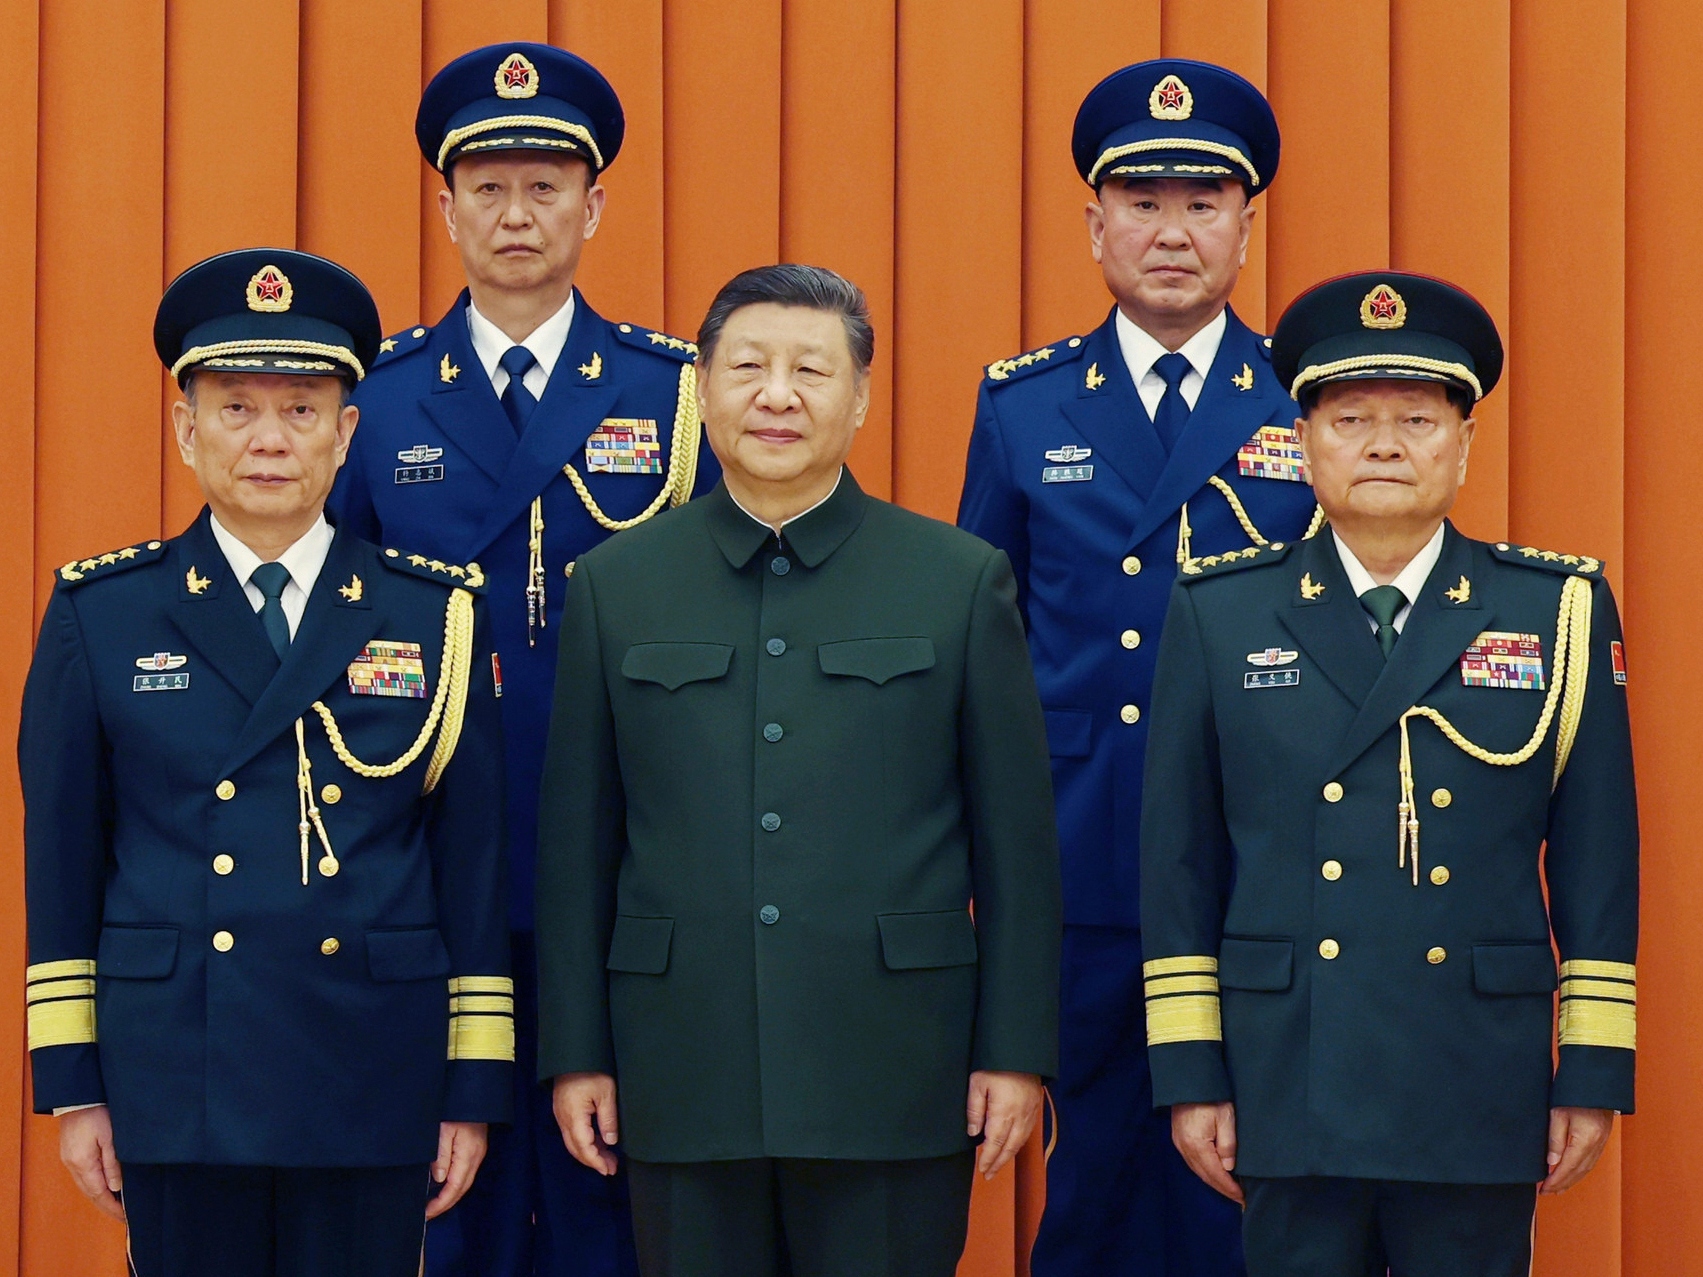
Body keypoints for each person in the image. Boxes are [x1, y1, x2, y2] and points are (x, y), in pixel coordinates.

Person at [533, 264, 1062, 1277]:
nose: (777, 395)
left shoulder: (954, 581)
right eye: (747, 367)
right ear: (700, 387)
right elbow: (577, 848)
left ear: (859, 397)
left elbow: (1016, 850)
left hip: (893, 1065)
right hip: (681, 1062)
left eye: (811, 369)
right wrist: (578, 1050)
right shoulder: (616, 586)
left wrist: (1011, 1049)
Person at [20, 248, 512, 1277]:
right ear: (185, 428)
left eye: (300, 409)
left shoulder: (432, 612)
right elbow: (62, 859)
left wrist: (470, 1082)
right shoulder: (100, 614)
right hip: (179, 1067)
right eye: (236, 408)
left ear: (346, 431)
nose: (269, 439)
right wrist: (76, 1082)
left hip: (370, 1064)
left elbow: (470, 863)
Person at [1140, 271, 1637, 1277]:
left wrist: (1588, 1067)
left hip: (1474, 1068)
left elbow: (1597, 859)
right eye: (1349, 417)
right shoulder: (1219, 611)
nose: (1381, 443)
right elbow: (1176, 858)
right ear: (1303, 441)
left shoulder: (1555, 609)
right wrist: (1191, 1069)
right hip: (1289, 1064)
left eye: (1416, 417)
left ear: (1462, 441)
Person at [329, 42, 718, 1277]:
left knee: (617, 1186)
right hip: (435, 852)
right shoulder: (375, 399)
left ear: (594, 205)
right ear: (443, 204)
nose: (514, 212)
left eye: (545, 184)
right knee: (454, 1199)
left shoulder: (677, 395)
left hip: (625, 850)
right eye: (486, 185)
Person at [957, 58, 1319, 1277]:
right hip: (1081, 857)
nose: (1171, 232)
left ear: (1245, 224)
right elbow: (979, 646)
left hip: (1258, 857)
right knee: (1095, 1181)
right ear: (1094, 223)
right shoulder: (1021, 406)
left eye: (1202, 203)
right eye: (1143, 202)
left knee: (1246, 1179)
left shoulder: (1304, 399)